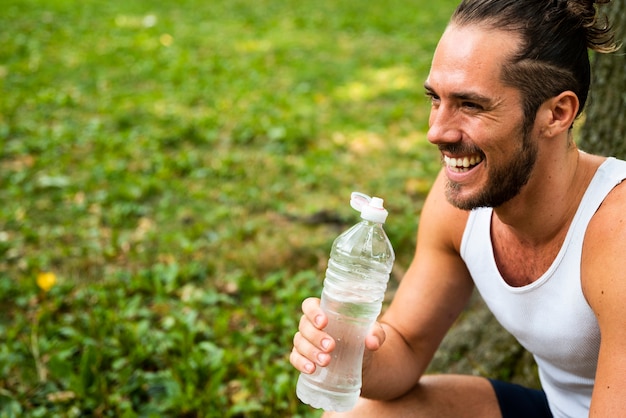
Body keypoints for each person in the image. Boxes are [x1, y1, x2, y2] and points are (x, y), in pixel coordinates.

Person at [290, 0, 624, 416]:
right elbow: (406, 347)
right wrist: (348, 350)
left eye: (470, 105)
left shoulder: (617, 235)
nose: (436, 131)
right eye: (435, 99)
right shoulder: (463, 200)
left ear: (557, 114)